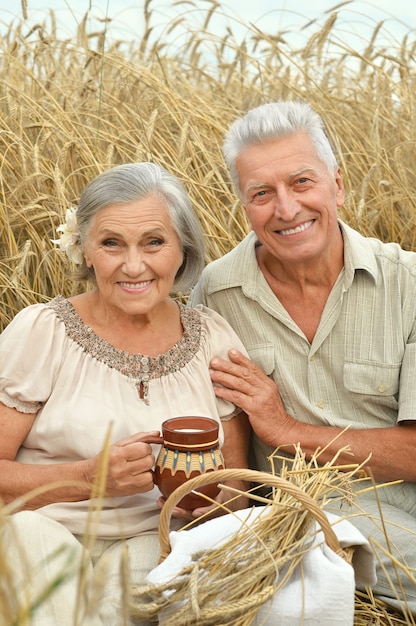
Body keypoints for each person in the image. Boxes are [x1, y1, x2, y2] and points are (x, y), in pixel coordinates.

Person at [188, 100, 416, 616]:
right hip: (284, 541)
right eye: (261, 194)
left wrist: (288, 430)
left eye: (302, 183)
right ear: (243, 205)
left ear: (337, 183)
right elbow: (219, 446)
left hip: (404, 540)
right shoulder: (215, 295)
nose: (286, 209)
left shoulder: (410, 285)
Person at [0, 162, 250, 626]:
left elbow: (234, 485)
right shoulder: (42, 332)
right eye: (111, 243)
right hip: (44, 533)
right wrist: (88, 479)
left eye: (154, 242)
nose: (133, 265)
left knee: (150, 589)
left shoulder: (212, 338)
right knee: (31, 547)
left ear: (182, 250)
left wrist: (207, 502)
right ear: (85, 250)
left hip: (153, 543)